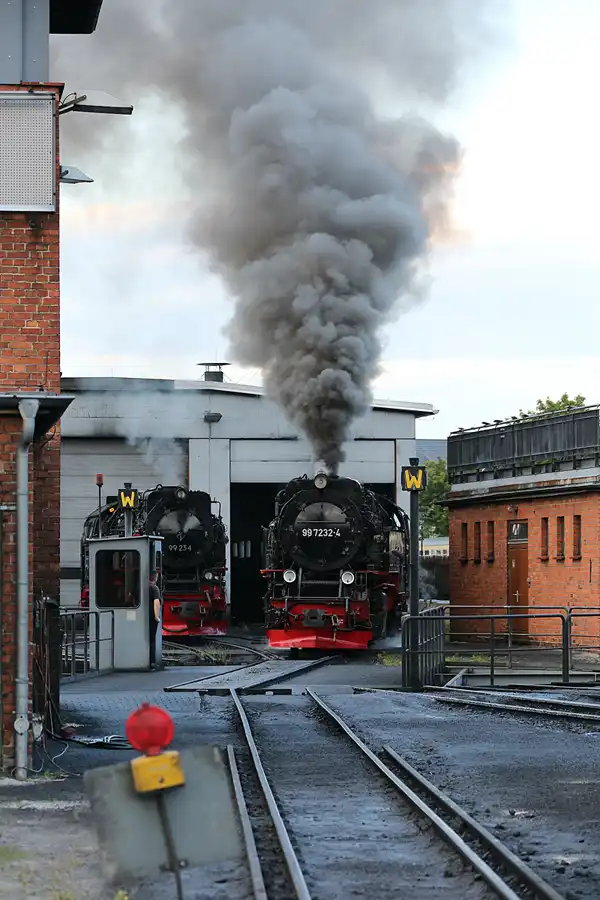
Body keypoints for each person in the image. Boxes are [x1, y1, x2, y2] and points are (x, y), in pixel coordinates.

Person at [149, 571, 162, 668]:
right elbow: (156, 602)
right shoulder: (154, 588)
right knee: (152, 639)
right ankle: (152, 661)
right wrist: (157, 617)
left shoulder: (140, 586)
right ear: (155, 578)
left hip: (144, 617)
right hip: (152, 617)